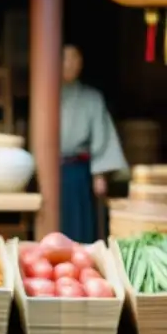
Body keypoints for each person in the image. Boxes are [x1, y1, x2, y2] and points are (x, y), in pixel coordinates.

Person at [61, 44, 127, 243]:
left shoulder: (92, 98)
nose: (71, 64)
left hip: (78, 171)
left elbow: (101, 135)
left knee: (80, 224)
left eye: (76, 59)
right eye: (65, 58)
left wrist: (99, 173)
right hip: (50, 170)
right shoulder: (43, 94)